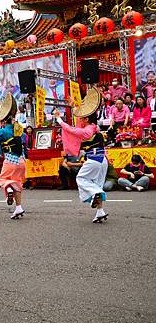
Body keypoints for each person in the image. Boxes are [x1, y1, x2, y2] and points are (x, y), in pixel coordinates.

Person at [54, 89, 109, 223]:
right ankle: (100, 212)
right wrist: (73, 106)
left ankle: (95, 194)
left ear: (87, 119)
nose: (81, 120)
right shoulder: (94, 127)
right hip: (103, 160)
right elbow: (78, 122)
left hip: (94, 159)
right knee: (97, 184)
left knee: (81, 178)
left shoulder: (87, 131)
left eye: (83, 118)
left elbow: (71, 129)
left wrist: (58, 119)